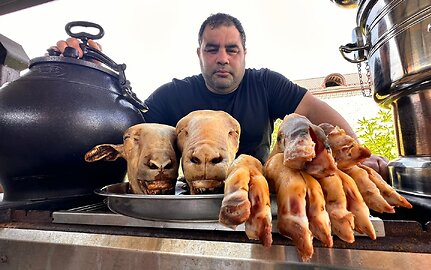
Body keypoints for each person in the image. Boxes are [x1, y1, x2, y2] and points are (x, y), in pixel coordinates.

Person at [53, 13, 389, 178]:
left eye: (232, 49)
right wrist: (83, 72)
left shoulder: (266, 84)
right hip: (191, 199)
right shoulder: (174, 94)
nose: (223, 58)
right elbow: (124, 130)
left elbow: (316, 110)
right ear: (199, 53)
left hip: (261, 192)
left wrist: (357, 155)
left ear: (244, 53)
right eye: (212, 49)